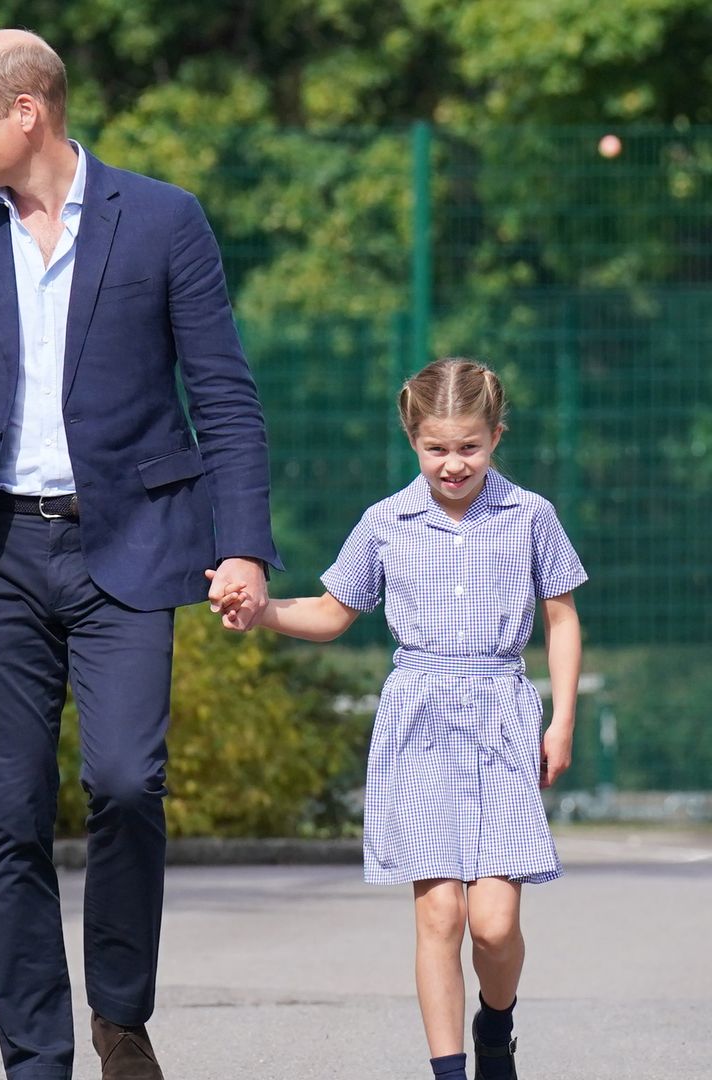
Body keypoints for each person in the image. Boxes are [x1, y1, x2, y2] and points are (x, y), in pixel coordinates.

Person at [0, 28, 278, 1080]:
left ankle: (121, 1013)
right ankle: (35, 1060)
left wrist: (245, 548)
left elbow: (222, 394)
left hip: (129, 545)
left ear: (26, 112)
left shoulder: (165, 220)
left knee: (130, 783)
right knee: (11, 815)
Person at [212, 358, 585, 1080]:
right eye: (438, 447)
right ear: (413, 439)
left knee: (495, 924)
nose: (454, 464)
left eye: (470, 447)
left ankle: (496, 1023)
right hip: (417, 723)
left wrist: (561, 719)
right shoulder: (385, 523)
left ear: (497, 437)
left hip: (502, 719)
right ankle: (448, 1072)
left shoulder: (530, 515)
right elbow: (330, 612)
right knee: (440, 916)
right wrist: (261, 612)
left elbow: (561, 616)